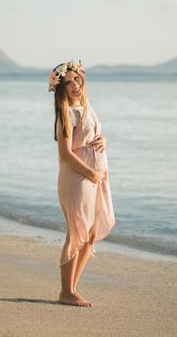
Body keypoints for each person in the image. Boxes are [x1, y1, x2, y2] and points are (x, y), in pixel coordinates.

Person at [49, 60, 116, 307]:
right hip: (77, 179)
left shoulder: (87, 105)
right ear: (62, 88)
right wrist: (91, 172)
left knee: (90, 235)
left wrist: (103, 139)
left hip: (93, 178)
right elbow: (66, 153)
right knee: (76, 233)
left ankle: (72, 289)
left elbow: (93, 133)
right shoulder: (66, 113)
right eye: (68, 83)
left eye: (77, 79)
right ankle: (66, 292)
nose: (75, 85)